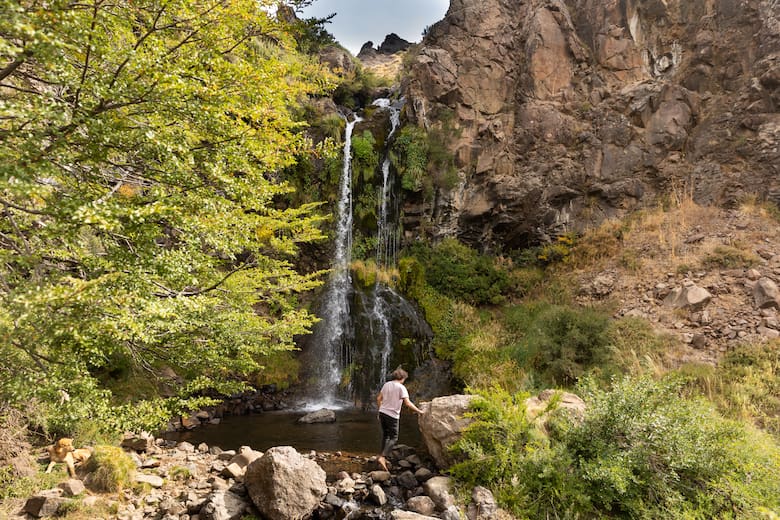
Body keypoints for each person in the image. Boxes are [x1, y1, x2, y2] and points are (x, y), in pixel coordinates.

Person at [376, 367, 424, 472]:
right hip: (392, 415)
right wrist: (419, 411)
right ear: (402, 378)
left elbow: (378, 398)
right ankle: (383, 457)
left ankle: (381, 454)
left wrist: (380, 410)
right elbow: (407, 403)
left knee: (386, 435)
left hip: (382, 412)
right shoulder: (401, 388)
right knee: (394, 437)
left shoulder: (386, 384)